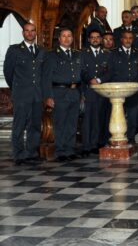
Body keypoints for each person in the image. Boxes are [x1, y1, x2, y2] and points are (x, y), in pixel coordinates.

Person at [3, 22, 46, 165]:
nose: (30, 33)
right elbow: (8, 73)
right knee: (19, 125)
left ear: (36, 33)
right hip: (21, 95)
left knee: (34, 125)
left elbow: (42, 74)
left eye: (33, 31)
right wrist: (17, 88)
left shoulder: (41, 50)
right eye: (27, 31)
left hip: (37, 95)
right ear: (23, 33)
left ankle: (32, 152)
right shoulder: (15, 50)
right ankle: (19, 154)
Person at [42, 28, 81, 162]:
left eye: (69, 36)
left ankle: (70, 149)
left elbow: (80, 74)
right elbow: (46, 77)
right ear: (59, 39)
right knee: (60, 123)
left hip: (74, 92)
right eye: (63, 36)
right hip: (59, 92)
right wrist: (48, 96)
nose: (66, 38)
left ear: (72, 38)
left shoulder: (77, 54)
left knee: (72, 123)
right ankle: (60, 151)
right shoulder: (52, 55)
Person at [107, 31, 138, 144]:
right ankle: (115, 139)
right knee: (115, 116)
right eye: (125, 38)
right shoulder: (113, 53)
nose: (128, 40)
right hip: (117, 91)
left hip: (133, 91)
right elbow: (110, 72)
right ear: (121, 39)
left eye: (130, 38)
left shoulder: (137, 53)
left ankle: (130, 139)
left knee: (133, 118)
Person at [81, 26, 110, 156]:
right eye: (92, 38)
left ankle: (100, 143)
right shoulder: (83, 54)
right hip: (89, 90)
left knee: (102, 117)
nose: (95, 40)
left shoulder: (107, 54)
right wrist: (90, 80)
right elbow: (81, 71)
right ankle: (88, 145)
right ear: (88, 39)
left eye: (97, 37)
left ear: (101, 39)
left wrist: (99, 79)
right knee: (89, 119)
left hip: (103, 91)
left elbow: (111, 72)